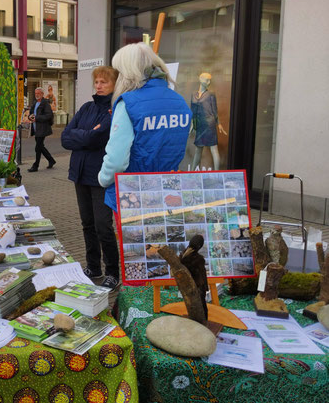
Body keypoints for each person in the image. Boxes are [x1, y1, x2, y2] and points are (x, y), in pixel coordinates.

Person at [98, 42, 192, 217]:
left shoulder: (128, 102)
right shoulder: (179, 101)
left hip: (133, 194)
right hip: (169, 191)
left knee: (135, 243)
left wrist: (103, 179)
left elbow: (117, 160)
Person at [61, 66, 120, 289]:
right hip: (80, 174)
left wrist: (83, 136)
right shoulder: (86, 108)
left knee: (103, 226)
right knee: (87, 224)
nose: (99, 85)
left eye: (104, 82)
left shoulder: (114, 111)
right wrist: (86, 135)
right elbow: (65, 138)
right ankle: (93, 266)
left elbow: (98, 138)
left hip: (101, 176)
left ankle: (112, 271)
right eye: (97, 82)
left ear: (114, 84)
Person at [191, 72, 227, 170]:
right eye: (207, 79)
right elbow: (193, 111)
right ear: (200, 79)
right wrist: (192, 125)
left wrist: (219, 124)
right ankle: (192, 173)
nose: (209, 82)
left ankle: (217, 173)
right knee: (198, 150)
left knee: (213, 149)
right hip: (199, 125)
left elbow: (215, 111)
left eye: (210, 80)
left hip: (209, 124)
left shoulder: (211, 94)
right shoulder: (194, 95)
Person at [27, 87, 55, 172]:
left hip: (42, 128)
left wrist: (37, 118)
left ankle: (35, 166)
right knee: (40, 146)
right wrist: (30, 117)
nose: (37, 95)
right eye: (35, 93)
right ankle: (51, 160)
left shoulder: (45, 103)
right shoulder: (35, 102)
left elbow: (48, 115)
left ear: (42, 94)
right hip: (36, 128)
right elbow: (31, 113)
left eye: (38, 93)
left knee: (38, 147)